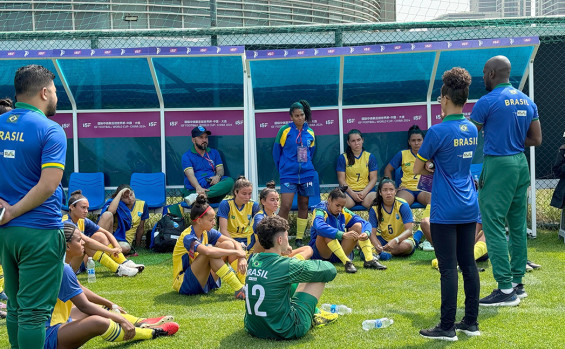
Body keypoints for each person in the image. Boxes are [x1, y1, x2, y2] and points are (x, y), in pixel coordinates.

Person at [0, 65, 67, 349]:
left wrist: (7, 213)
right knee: (34, 314)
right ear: (43, 92)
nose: (55, 97)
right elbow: (48, 185)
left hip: (6, 232)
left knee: (15, 306)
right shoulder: (51, 130)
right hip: (39, 231)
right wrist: (14, 210)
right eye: (53, 91)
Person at [470, 55, 542, 306]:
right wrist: (512, 138)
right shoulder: (526, 101)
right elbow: (536, 139)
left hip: (498, 164)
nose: (482, 77)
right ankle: (517, 284)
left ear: (491, 74)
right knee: (517, 225)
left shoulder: (486, 101)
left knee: (493, 225)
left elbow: (469, 135)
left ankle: (504, 289)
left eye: (483, 72)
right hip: (520, 164)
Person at [415, 67, 480, 341]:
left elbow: (419, 167)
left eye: (440, 98)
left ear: (445, 98)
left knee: (447, 268)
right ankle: (471, 322)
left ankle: (446, 326)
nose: (439, 102)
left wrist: (432, 165)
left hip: (445, 208)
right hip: (469, 204)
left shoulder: (437, 131)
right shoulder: (472, 128)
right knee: (468, 264)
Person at [44, 222, 179, 349]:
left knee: (99, 309)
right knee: (98, 321)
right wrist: (119, 318)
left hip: (53, 325)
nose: (83, 242)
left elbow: (80, 289)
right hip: (46, 335)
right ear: (67, 246)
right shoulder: (62, 268)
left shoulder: (56, 264)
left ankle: (142, 321)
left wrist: (109, 304)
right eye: (79, 240)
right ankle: (153, 332)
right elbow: (84, 304)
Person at [244, 215, 338, 340]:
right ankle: (313, 313)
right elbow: (330, 270)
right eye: (286, 237)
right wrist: (299, 261)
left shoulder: (253, 260)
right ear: (279, 240)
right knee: (317, 276)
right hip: (286, 329)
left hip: (254, 328)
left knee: (289, 281)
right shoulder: (286, 265)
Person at [172, 195, 247, 299]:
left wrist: (241, 256)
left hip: (204, 279)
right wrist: (236, 253)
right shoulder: (188, 236)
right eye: (211, 220)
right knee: (210, 250)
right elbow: (207, 252)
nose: (214, 222)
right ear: (199, 221)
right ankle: (239, 288)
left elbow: (234, 243)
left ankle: (246, 285)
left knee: (228, 245)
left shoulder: (207, 231)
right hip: (185, 284)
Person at [62, 190, 141, 277]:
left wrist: (117, 247)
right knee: (84, 243)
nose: (86, 211)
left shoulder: (82, 220)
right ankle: (119, 269)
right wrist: (110, 250)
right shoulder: (66, 222)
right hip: (67, 266)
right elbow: (87, 241)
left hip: (80, 262)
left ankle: (125, 263)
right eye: (83, 208)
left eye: (87, 208)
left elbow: (105, 232)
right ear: (72, 207)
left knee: (100, 235)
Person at [310, 187, 386, 273]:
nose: (339, 209)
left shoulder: (343, 211)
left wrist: (366, 233)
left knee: (358, 226)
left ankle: (369, 260)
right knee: (326, 232)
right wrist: (341, 234)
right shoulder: (320, 210)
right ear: (329, 200)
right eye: (337, 205)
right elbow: (319, 226)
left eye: (342, 206)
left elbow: (364, 223)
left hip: (338, 253)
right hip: (321, 254)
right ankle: (347, 262)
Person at [273, 100, 317, 247]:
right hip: (288, 174)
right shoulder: (284, 131)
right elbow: (276, 152)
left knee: (304, 205)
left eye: (302, 115)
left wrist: (306, 166)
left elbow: (311, 152)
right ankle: (279, 237)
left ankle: (299, 239)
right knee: (285, 206)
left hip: (306, 174)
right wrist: (283, 168)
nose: (300, 118)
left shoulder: (310, 132)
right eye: (296, 115)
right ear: (291, 117)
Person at [247, 181, 313, 261]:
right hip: (257, 257)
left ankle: (291, 263)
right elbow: (264, 244)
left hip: (275, 253)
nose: (276, 203)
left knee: (308, 249)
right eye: (272, 200)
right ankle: (287, 263)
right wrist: (283, 249)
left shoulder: (275, 217)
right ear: (263, 201)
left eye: (277, 200)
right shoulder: (259, 217)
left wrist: (287, 246)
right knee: (265, 236)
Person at [182, 126, 234, 204]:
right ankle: (199, 195)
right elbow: (190, 175)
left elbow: (220, 169)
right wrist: (198, 187)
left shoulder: (214, 153)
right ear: (193, 140)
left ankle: (200, 196)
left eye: (206, 137)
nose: (204, 140)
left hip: (211, 190)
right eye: (201, 137)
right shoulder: (187, 156)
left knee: (230, 181)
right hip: (194, 190)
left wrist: (217, 176)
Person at [368, 178, 419, 258]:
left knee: (406, 246)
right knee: (365, 240)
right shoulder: (374, 208)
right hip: (383, 239)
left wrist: (395, 240)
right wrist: (377, 245)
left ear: (395, 191)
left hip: (401, 240)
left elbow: (409, 231)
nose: (388, 193)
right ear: (380, 192)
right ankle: (382, 252)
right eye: (385, 190)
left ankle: (382, 253)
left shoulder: (402, 205)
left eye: (391, 190)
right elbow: (372, 233)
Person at [384, 125, 431, 206]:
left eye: (419, 140)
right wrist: (393, 188)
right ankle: (408, 219)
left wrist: (430, 164)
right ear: (409, 142)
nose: (416, 143)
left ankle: (426, 219)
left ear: (424, 141)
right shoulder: (403, 154)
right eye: (413, 140)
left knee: (433, 201)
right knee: (399, 204)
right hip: (407, 189)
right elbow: (387, 169)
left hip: (423, 189)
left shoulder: (429, 155)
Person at [98, 184, 149, 256]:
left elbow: (141, 227)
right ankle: (97, 245)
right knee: (107, 214)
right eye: (125, 197)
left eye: (131, 194)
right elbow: (111, 211)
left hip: (122, 241)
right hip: (111, 237)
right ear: (120, 198)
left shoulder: (142, 204)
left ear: (133, 192)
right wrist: (120, 194)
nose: (130, 198)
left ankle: (103, 250)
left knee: (125, 248)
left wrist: (138, 245)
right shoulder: (116, 204)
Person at [336, 129, 378, 209]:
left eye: (358, 140)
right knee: (338, 204)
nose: (356, 143)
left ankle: (373, 222)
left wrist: (364, 192)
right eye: (353, 141)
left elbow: (374, 178)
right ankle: (343, 221)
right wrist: (352, 194)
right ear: (348, 143)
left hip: (366, 193)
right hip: (348, 193)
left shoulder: (370, 157)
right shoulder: (343, 158)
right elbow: (341, 180)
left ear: (362, 140)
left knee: (378, 202)